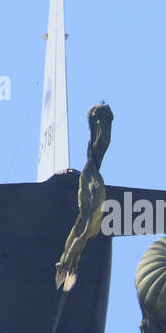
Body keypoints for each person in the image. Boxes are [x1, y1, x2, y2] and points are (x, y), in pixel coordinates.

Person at [55, 103, 114, 291]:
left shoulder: (92, 165)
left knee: (85, 227)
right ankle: (66, 265)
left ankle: (66, 265)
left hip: (90, 189)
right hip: (89, 190)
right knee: (85, 227)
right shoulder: (91, 169)